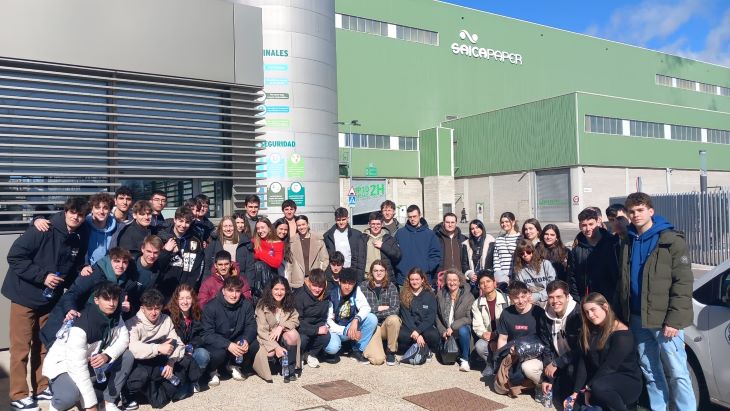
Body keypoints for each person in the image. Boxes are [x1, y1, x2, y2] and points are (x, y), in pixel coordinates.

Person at [3, 197, 89, 411]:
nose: (75, 217)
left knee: (43, 345)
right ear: (65, 211)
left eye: (80, 215)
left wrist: (82, 271)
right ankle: (19, 395)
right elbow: (14, 256)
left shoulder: (78, 237)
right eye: (72, 212)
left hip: (49, 300)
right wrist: (43, 277)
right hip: (24, 296)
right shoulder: (42, 229)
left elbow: (70, 269)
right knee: (21, 348)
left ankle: (42, 387)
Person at [619, 192, 695, 411]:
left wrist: (674, 320)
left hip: (665, 321)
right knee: (651, 371)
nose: (636, 215)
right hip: (637, 318)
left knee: (678, 372)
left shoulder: (671, 240)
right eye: (632, 211)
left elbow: (682, 284)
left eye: (640, 210)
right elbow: (623, 282)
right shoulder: (628, 241)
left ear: (651, 211)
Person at [42, 282, 131, 411]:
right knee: (69, 396)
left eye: (114, 299)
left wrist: (107, 355)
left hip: (90, 363)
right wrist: (91, 405)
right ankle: (56, 404)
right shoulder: (82, 324)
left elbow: (124, 338)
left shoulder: (115, 316)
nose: (111, 303)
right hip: (65, 366)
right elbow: (77, 367)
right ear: (96, 300)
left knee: (127, 356)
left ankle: (108, 402)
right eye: (106, 299)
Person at [40, 247, 139, 348]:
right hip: (66, 323)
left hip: (90, 330)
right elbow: (71, 293)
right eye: (116, 261)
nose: (120, 266)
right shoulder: (93, 273)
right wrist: (70, 309)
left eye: (125, 262)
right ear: (109, 260)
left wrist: (123, 308)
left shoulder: (123, 281)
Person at [565, 293, 642, 411]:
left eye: (593, 310)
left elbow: (610, 366)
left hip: (626, 381)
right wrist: (575, 393)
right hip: (600, 379)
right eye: (586, 312)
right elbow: (584, 363)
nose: (590, 315)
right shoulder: (591, 331)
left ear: (605, 307)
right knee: (576, 405)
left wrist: (588, 388)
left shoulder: (622, 334)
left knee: (599, 387)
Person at [125, 288, 190, 409]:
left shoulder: (166, 319)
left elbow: (177, 342)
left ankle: (159, 390)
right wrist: (158, 348)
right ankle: (128, 394)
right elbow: (132, 347)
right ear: (142, 308)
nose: (154, 312)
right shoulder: (133, 323)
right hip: (141, 363)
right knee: (140, 377)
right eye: (150, 309)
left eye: (157, 308)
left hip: (161, 361)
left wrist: (171, 362)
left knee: (185, 360)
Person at [201, 275, 265, 383]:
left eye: (237, 291)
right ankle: (212, 371)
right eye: (230, 291)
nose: (234, 295)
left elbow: (251, 325)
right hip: (218, 343)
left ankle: (234, 365)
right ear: (223, 291)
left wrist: (246, 339)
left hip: (236, 339)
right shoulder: (211, 307)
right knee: (218, 354)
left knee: (254, 344)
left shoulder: (246, 305)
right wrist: (227, 344)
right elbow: (207, 334)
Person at [494, 281, 547, 398]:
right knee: (500, 388)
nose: (521, 301)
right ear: (510, 298)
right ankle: (526, 385)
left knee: (528, 368)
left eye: (523, 296)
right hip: (513, 353)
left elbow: (545, 340)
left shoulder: (538, 312)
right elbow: (503, 338)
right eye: (516, 298)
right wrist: (502, 356)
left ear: (528, 294)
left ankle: (539, 385)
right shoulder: (506, 313)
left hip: (535, 354)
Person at [539, 280, 581, 407]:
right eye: (551, 297)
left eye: (559, 297)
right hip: (559, 361)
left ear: (567, 297)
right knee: (557, 399)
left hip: (578, 362)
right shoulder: (545, 316)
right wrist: (548, 376)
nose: (555, 301)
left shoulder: (578, 314)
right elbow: (546, 346)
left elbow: (582, 348)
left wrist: (557, 363)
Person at [324, 268, 378, 363]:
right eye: (344, 283)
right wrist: (345, 331)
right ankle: (337, 348)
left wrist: (356, 320)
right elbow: (328, 322)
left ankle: (357, 350)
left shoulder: (356, 290)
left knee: (372, 318)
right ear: (339, 282)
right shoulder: (332, 294)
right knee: (333, 348)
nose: (347, 287)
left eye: (351, 283)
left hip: (350, 327)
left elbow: (366, 307)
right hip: (335, 330)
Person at [569, 208, 620, 307]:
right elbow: (572, 277)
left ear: (598, 222)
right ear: (580, 226)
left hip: (609, 301)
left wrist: (615, 299)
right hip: (587, 301)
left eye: (591, 224)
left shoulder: (612, 243)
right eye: (584, 225)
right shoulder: (577, 249)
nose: (588, 229)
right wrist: (579, 301)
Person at [255, 277, 301, 382]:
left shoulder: (288, 303)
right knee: (270, 353)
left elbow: (295, 320)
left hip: (282, 336)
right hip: (267, 338)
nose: (279, 293)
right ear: (271, 290)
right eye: (276, 289)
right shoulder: (262, 305)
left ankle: (290, 368)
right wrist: (276, 347)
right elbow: (262, 331)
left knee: (293, 334)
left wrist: (282, 326)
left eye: (282, 289)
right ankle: (276, 365)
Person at [167, 284, 208, 394]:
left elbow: (203, 335)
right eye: (181, 298)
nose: (185, 302)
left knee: (203, 354)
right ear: (176, 300)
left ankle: (195, 380)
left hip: (193, 349)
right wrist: (182, 349)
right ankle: (184, 380)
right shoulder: (169, 316)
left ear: (193, 299)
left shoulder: (198, 313)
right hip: (176, 353)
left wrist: (192, 346)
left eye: (188, 298)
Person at [157, 206, 205, 299]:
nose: (183, 225)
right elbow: (157, 265)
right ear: (175, 220)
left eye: (187, 222)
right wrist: (167, 252)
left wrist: (189, 289)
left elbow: (198, 268)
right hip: (164, 291)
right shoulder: (162, 238)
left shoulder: (195, 241)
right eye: (181, 221)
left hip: (186, 292)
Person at [360, 260, 401, 366]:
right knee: (377, 360)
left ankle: (391, 351)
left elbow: (395, 309)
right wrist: (379, 308)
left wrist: (373, 311)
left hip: (385, 326)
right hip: (371, 327)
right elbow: (361, 310)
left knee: (394, 319)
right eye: (376, 270)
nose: (379, 273)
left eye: (381, 270)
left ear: (385, 272)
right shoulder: (363, 287)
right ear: (371, 272)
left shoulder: (391, 287)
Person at [436, 269, 475, 372]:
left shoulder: (468, 296)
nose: (452, 283)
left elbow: (469, 318)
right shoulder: (440, 295)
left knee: (463, 330)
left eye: (455, 280)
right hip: (445, 329)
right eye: (449, 280)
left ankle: (465, 359)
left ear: (459, 281)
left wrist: (453, 327)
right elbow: (437, 316)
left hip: (460, 329)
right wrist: (443, 330)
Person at [472, 271, 509, 377]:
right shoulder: (477, 304)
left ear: (494, 283)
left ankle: (503, 365)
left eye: (488, 281)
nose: (485, 284)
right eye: (482, 283)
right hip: (489, 336)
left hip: (506, 336)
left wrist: (496, 336)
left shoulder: (507, 299)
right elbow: (478, 325)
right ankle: (490, 364)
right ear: (479, 286)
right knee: (480, 345)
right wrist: (486, 336)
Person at [394, 205, 441, 287]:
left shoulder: (430, 234)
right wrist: (401, 268)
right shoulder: (400, 233)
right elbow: (394, 253)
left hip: (424, 279)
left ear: (420, 215)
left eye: (415, 216)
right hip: (404, 279)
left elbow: (436, 255)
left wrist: (427, 268)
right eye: (410, 217)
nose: (412, 219)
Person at [397, 267, 440, 358]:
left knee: (433, 335)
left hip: (425, 326)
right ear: (409, 280)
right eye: (412, 279)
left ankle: (426, 348)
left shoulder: (430, 294)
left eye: (417, 279)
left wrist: (418, 331)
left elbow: (430, 317)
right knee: (403, 336)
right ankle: (415, 347)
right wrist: (415, 332)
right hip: (410, 326)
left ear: (422, 280)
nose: (415, 282)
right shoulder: (404, 294)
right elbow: (406, 317)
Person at [293, 269, 332, 368]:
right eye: (314, 285)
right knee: (302, 339)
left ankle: (310, 354)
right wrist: (316, 330)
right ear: (309, 283)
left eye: (320, 286)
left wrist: (323, 327)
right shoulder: (300, 296)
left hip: (317, 324)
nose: (317, 289)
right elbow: (297, 322)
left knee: (326, 336)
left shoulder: (325, 296)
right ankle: (300, 355)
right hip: (302, 327)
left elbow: (323, 317)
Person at [203, 216, 255, 286]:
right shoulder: (215, 242)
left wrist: (249, 286)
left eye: (230, 226)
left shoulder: (244, 243)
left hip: (240, 282)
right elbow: (207, 265)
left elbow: (250, 268)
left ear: (235, 227)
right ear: (221, 228)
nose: (228, 229)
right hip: (217, 282)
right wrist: (206, 284)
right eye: (225, 226)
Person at [512, 239, 555, 308]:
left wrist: (538, 296)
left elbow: (552, 287)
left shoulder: (545, 264)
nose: (525, 255)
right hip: (529, 300)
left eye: (528, 252)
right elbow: (521, 290)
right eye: (522, 253)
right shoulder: (519, 270)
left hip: (547, 299)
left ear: (533, 251)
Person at [289, 215, 329, 289]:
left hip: (315, 280)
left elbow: (325, 260)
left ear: (308, 224)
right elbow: (289, 264)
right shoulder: (292, 242)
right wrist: (288, 281)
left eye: (303, 224)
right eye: (299, 225)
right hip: (297, 280)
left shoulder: (318, 240)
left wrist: (318, 273)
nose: (301, 227)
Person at [323, 207, 365, 277]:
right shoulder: (328, 236)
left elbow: (360, 257)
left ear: (347, 219)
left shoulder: (357, 235)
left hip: (351, 271)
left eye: (343, 219)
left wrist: (359, 275)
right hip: (335, 273)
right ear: (335, 220)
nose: (341, 222)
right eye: (338, 220)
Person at [361, 211, 401, 283]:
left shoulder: (389, 239)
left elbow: (397, 256)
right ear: (369, 224)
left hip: (384, 279)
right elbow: (356, 260)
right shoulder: (362, 239)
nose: (375, 227)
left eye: (378, 224)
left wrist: (383, 246)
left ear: (382, 224)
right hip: (367, 278)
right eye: (373, 224)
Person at [461, 219, 495, 298]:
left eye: (477, 227)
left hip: (488, 277)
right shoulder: (466, 244)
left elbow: (494, 260)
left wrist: (488, 273)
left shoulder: (491, 241)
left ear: (482, 228)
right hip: (474, 279)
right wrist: (470, 274)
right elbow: (464, 263)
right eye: (472, 229)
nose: (475, 230)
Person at [251, 218, 284, 298]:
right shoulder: (254, 241)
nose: (260, 230)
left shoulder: (278, 243)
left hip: (271, 278)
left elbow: (276, 263)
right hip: (257, 280)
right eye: (258, 228)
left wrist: (259, 254)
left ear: (269, 228)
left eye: (262, 227)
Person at [493, 212, 520, 288]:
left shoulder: (520, 238)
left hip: (517, 276)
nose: (504, 224)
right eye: (502, 222)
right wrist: (501, 276)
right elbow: (496, 260)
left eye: (507, 221)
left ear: (513, 222)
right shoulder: (499, 239)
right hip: (502, 278)